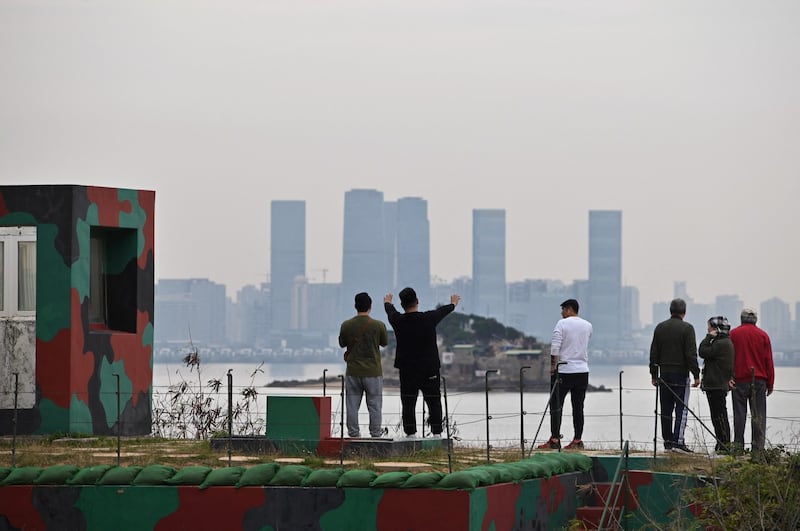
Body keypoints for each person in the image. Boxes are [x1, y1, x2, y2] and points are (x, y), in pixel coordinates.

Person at [384, 287, 460, 439]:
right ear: (417, 301)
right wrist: (453, 303)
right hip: (429, 368)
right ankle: (437, 433)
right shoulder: (428, 318)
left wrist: (387, 302)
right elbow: (443, 311)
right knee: (433, 401)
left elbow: (390, 311)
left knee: (408, 402)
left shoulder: (397, 321)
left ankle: (411, 434)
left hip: (407, 370)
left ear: (402, 305)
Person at [538, 299, 593, 451]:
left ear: (569, 309)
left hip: (564, 371)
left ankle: (555, 439)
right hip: (582, 371)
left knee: (556, 406)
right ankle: (577, 440)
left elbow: (555, 347)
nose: (562, 313)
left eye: (563, 310)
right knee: (578, 407)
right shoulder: (588, 326)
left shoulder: (561, 324)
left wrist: (552, 366)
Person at [649, 298, 700, 453]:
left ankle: (668, 443)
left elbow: (654, 353)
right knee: (681, 409)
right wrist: (696, 375)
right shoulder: (687, 328)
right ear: (684, 312)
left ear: (670, 311)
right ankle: (678, 442)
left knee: (665, 410)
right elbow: (691, 354)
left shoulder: (660, 327)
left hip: (663, 374)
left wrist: (653, 374)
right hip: (680, 375)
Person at [338, 292, 389, 438]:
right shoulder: (378, 325)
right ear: (370, 306)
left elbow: (342, 343)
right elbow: (384, 343)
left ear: (355, 306)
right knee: (374, 405)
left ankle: (353, 434)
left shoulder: (346, 325)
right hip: (373, 371)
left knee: (352, 406)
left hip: (353, 371)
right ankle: (375, 434)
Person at [729, 308, 774, 457]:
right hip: (759, 381)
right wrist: (770, 383)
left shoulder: (733, 334)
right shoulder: (763, 336)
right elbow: (769, 361)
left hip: (738, 380)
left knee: (739, 416)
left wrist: (728, 377)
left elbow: (728, 358)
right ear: (755, 320)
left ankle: (738, 448)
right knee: (758, 416)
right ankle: (757, 450)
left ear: (741, 319)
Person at [698, 316, 734, 454]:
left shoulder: (719, 344)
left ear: (716, 329)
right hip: (718, 384)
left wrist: (708, 337)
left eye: (710, 327)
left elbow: (702, 351)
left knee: (719, 417)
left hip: (716, 385)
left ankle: (724, 445)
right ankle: (722, 444)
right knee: (719, 416)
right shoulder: (725, 342)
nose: (708, 329)